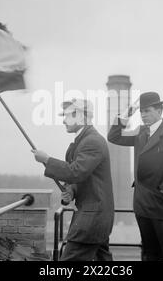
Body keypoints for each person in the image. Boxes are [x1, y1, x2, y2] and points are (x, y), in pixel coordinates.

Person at [108, 91, 163, 261]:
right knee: (149, 254)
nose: (143, 115)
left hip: (161, 207)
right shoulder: (140, 132)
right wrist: (127, 113)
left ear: (160, 111)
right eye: (141, 111)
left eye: (147, 111)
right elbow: (114, 136)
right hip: (142, 205)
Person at [32, 98, 114, 261]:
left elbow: (76, 172)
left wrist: (47, 160)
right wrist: (71, 190)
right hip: (96, 217)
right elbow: (84, 177)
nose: (64, 120)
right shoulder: (84, 141)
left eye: (70, 115)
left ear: (83, 117)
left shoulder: (92, 141)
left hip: (91, 220)